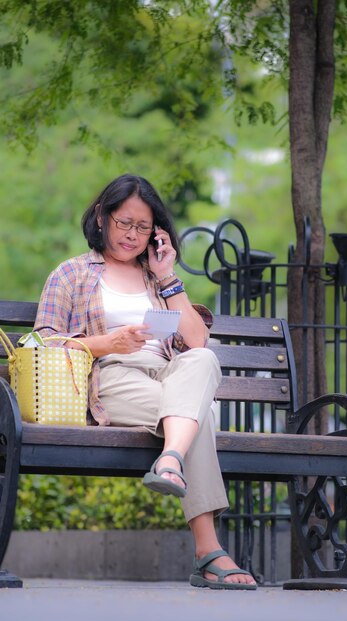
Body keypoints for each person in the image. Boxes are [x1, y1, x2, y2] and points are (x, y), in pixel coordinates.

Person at [33, 173, 256, 590]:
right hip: (111, 378)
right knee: (199, 415)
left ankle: (170, 459)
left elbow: (195, 341)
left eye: (143, 227)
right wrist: (106, 343)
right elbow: (44, 344)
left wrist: (169, 275)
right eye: (124, 223)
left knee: (204, 358)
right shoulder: (71, 275)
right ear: (102, 217)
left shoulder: (158, 278)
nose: (132, 235)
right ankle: (208, 552)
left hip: (169, 377)